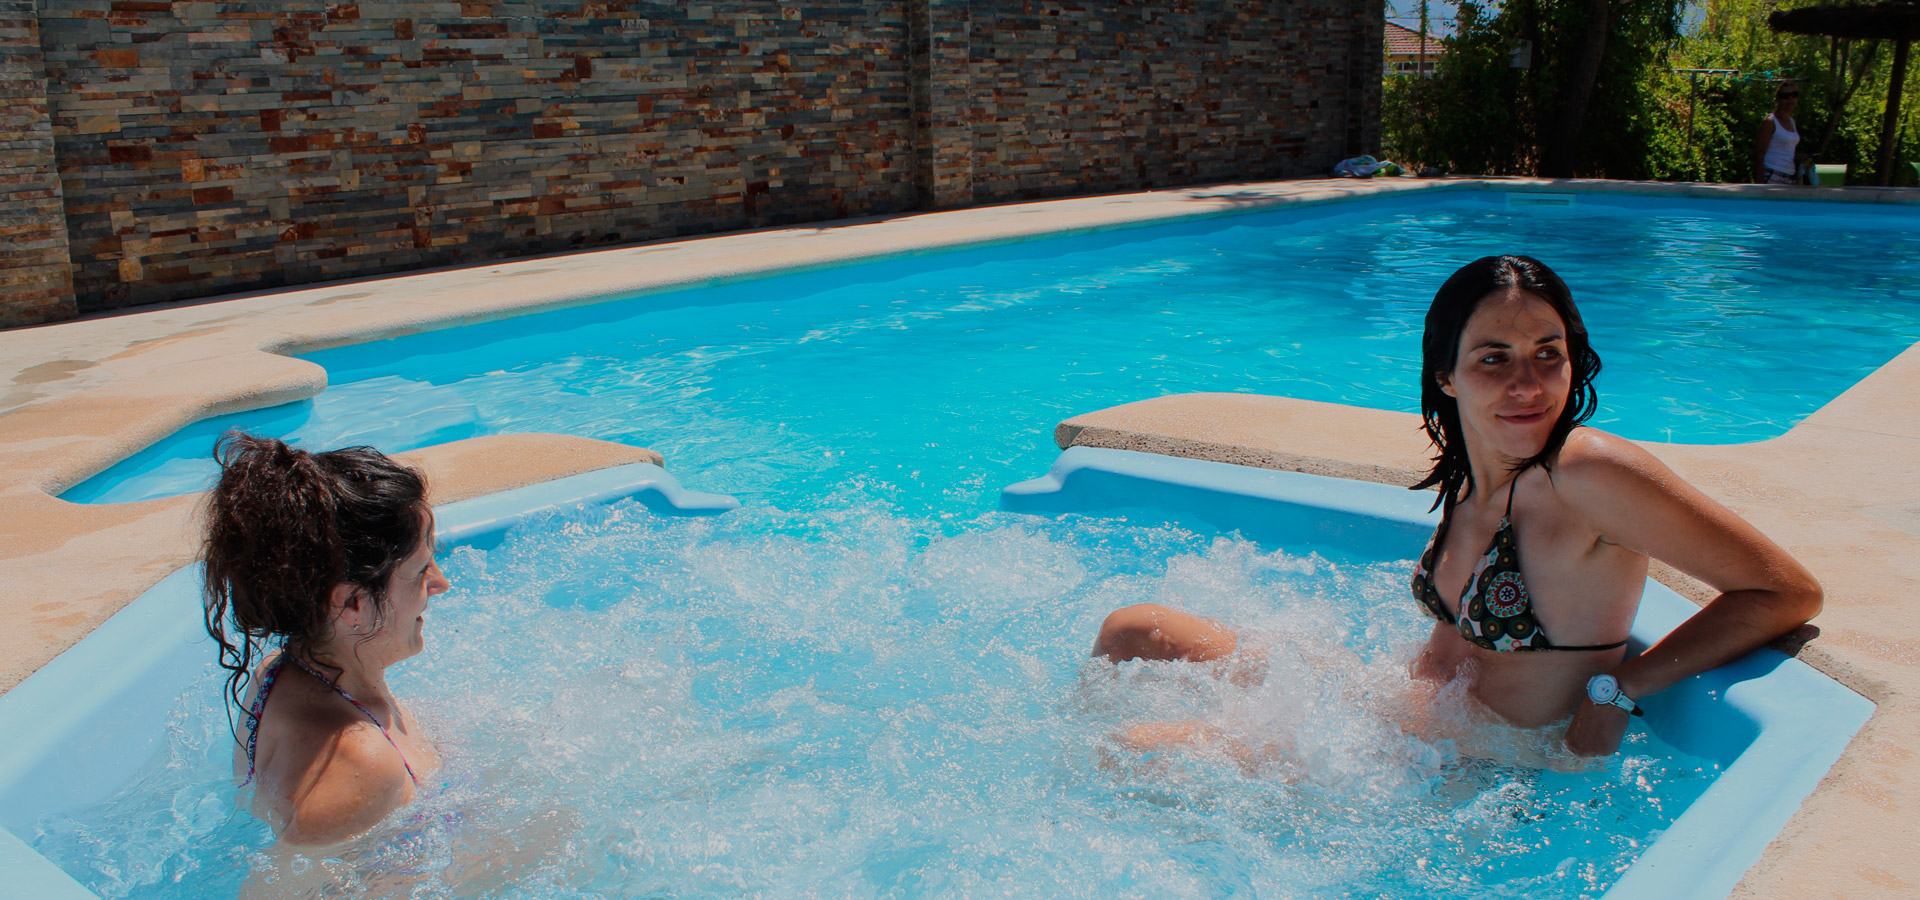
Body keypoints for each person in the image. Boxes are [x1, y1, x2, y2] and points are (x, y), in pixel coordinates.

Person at [1092, 255, 1822, 757]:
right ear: (1446, 374)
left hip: (1461, 761)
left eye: (1549, 352)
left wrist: (1621, 688)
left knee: (1132, 754)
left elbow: (1784, 592)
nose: (1528, 384)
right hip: (1392, 709)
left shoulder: (1586, 474)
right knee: (1130, 628)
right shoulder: (1478, 469)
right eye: (1493, 358)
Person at [202, 432, 447, 845]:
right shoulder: (363, 766)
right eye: (422, 569)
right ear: (351, 603)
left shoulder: (281, 669)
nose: (441, 583)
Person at [1754, 81, 1804, 185]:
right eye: (1785, 96)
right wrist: (1759, 186)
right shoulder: (1770, 122)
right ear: (1778, 99)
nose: (1790, 99)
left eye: (1794, 95)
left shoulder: (1792, 121)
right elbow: (1759, 155)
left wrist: (1802, 157)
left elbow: (1786, 151)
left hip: (1790, 175)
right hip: (1772, 174)